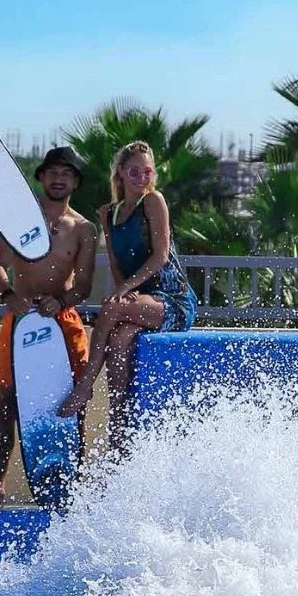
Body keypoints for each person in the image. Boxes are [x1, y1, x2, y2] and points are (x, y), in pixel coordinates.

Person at [53, 142, 196, 452]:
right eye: (134, 171)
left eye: (147, 171)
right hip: (140, 301)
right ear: (119, 172)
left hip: (172, 300)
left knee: (112, 309)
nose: (141, 177)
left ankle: (84, 387)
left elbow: (159, 257)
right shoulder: (113, 213)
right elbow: (118, 270)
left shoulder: (154, 201)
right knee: (117, 343)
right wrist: (123, 289)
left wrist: (122, 293)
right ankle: (119, 435)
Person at [0, 146, 98, 507]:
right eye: (53, 171)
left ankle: (72, 486)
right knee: (8, 402)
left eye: (67, 173)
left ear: (75, 182)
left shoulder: (84, 229)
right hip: (20, 319)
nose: (59, 178)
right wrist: (8, 295)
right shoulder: (19, 220)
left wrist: (61, 301)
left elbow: (83, 286)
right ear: (41, 177)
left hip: (62, 321)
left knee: (71, 402)